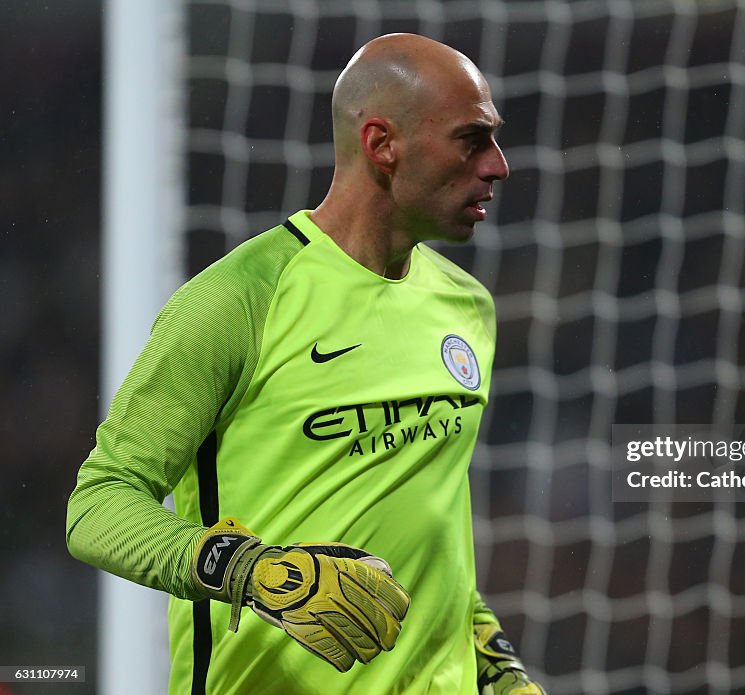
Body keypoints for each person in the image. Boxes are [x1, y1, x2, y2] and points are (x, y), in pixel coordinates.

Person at [66, 33, 545, 695]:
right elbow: (97, 504)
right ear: (382, 144)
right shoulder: (238, 298)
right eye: (472, 139)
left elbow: (430, 544)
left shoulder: (466, 308)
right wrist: (248, 568)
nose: (498, 165)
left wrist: (496, 665)